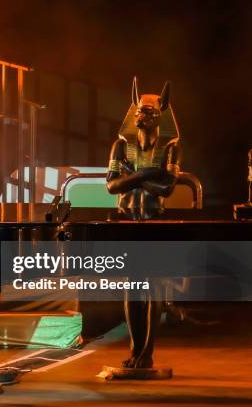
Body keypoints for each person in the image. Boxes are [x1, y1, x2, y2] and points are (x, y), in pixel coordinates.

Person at [106, 78, 181, 369]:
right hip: (126, 222)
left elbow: (167, 190)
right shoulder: (121, 146)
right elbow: (112, 187)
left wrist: (133, 175)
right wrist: (146, 174)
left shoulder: (171, 146)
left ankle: (147, 354)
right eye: (139, 110)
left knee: (154, 290)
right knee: (132, 290)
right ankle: (136, 350)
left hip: (155, 222)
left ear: (160, 113)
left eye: (148, 111)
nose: (141, 116)